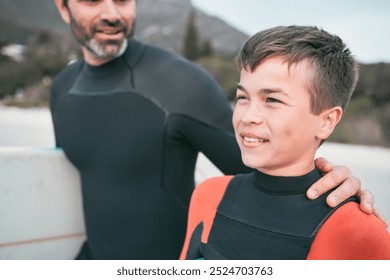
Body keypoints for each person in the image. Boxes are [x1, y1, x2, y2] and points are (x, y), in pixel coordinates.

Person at [51, 0, 379, 260]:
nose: (111, 13)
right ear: (63, 8)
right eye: (92, 0)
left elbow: (269, 164)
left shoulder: (181, 83)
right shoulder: (62, 88)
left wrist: (333, 186)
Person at [180, 25, 390, 260]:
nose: (248, 116)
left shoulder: (359, 231)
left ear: (327, 120)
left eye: (272, 99)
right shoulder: (208, 195)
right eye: (242, 98)